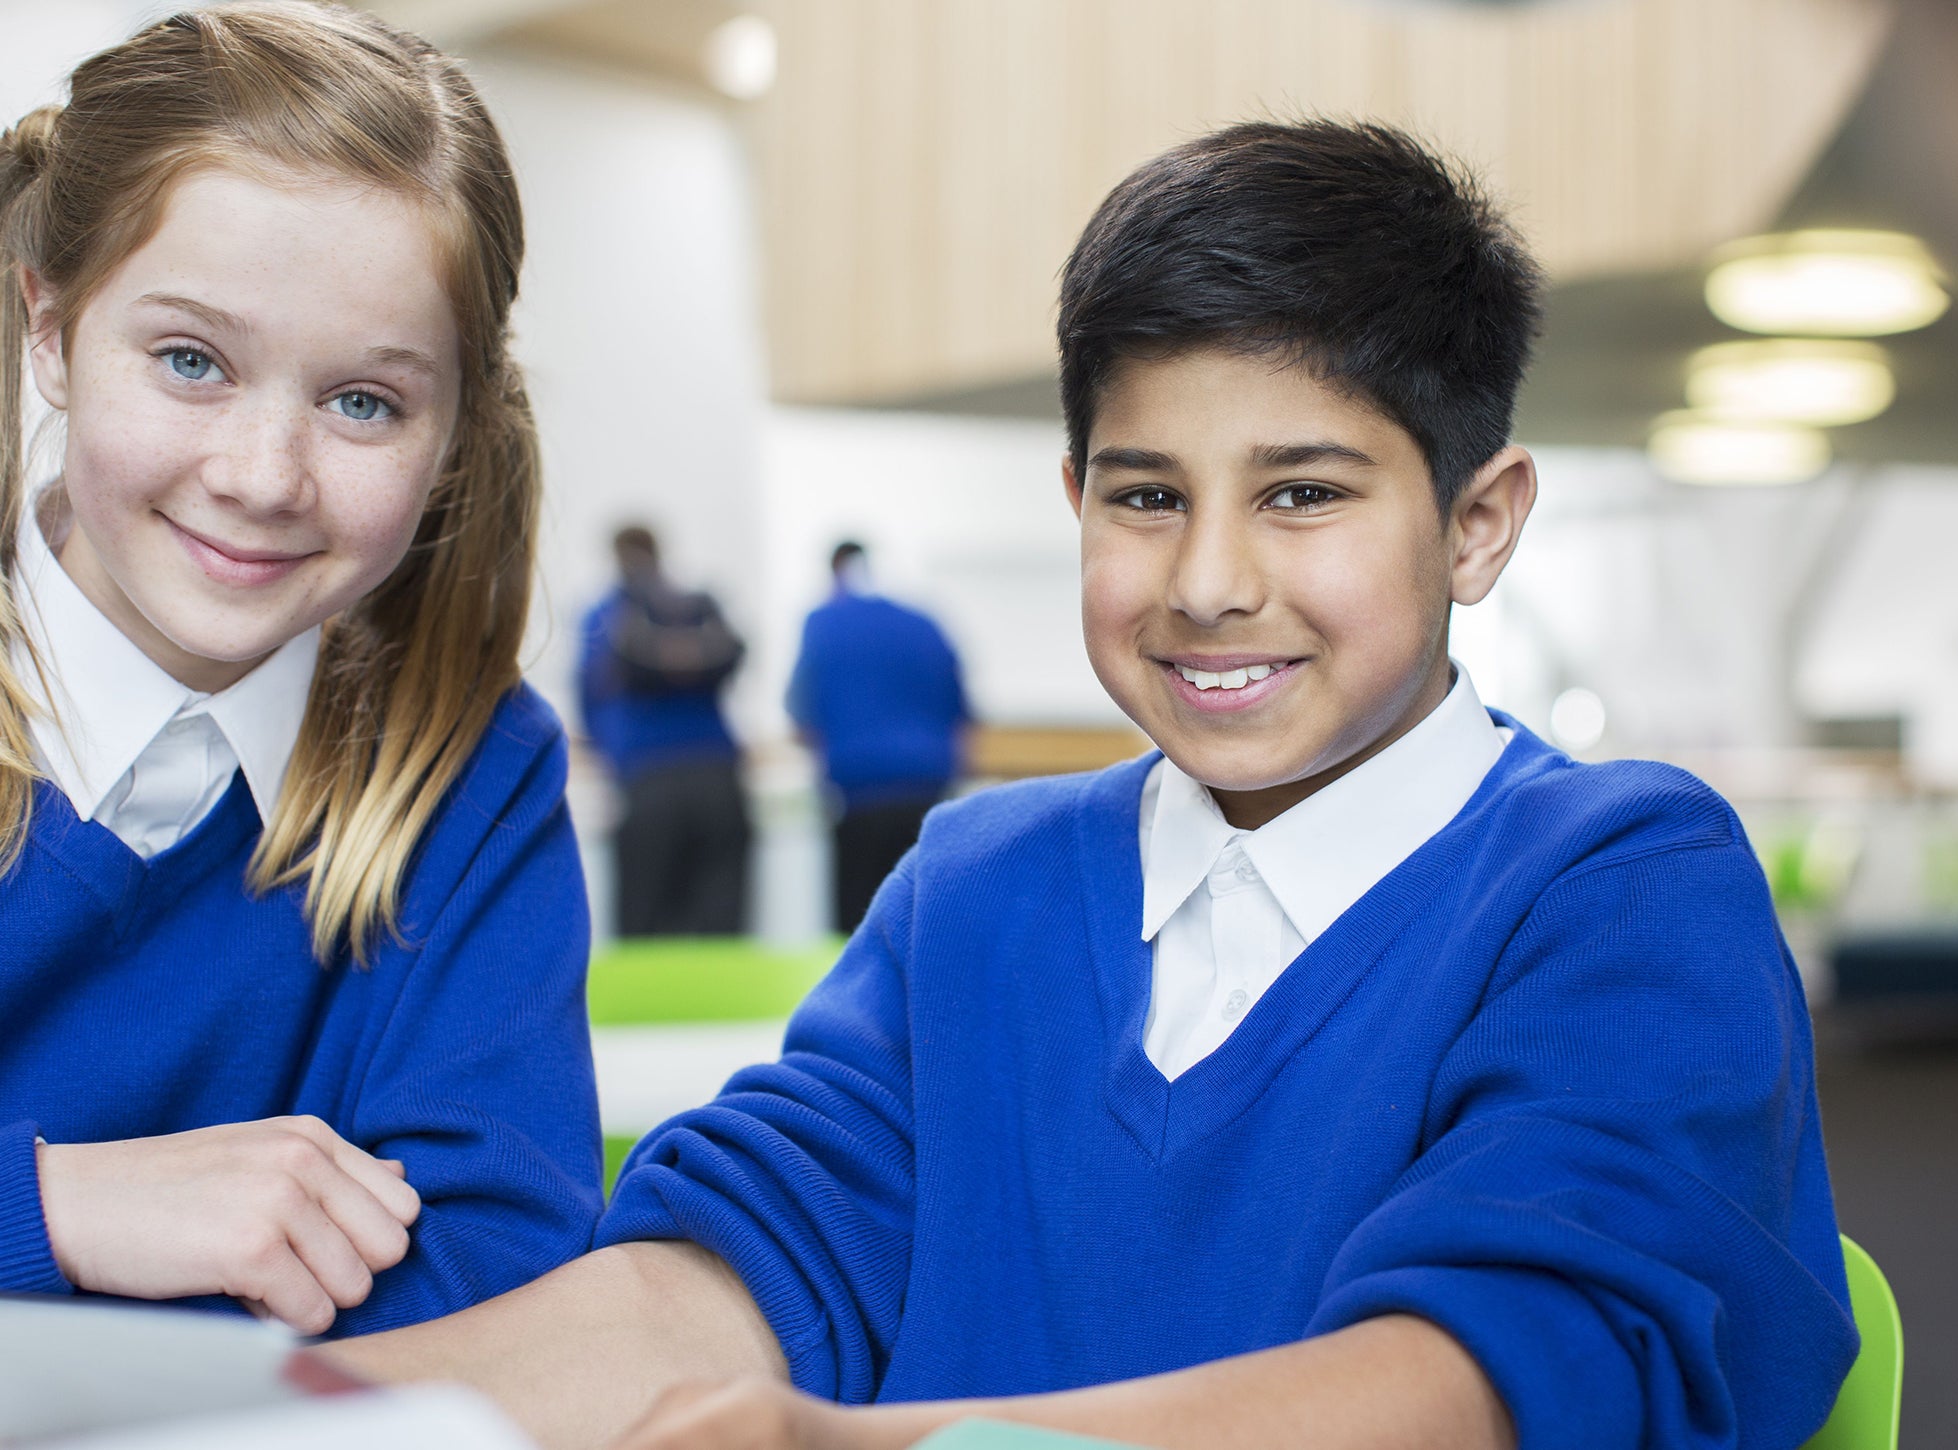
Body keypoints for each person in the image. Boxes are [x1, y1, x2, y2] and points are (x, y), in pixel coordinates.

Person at [327, 120, 1857, 1449]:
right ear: (1076, 500)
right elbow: (733, 1271)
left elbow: (1493, 1380)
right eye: (1145, 496)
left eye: (1302, 493)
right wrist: (272, 1406)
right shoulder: (977, 885)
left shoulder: (1618, 884)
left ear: (1477, 523)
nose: (1207, 580)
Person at [0, 2, 601, 1337]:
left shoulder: (472, 773)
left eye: (362, 402)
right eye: (190, 361)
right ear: (50, 330)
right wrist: (59, 1209)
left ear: (454, 432)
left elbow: (501, 1267)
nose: (264, 477)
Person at [787, 541, 970, 933]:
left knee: (858, 926)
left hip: (859, 796)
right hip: (927, 793)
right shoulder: (925, 624)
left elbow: (801, 713)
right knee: (920, 921)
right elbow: (960, 712)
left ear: (835, 569)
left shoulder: (824, 623)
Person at [578, 524, 750, 935]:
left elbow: (589, 695)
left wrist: (609, 754)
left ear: (616, 556)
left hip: (646, 776)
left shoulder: (605, 615)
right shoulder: (697, 608)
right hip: (718, 774)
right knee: (722, 921)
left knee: (645, 921)